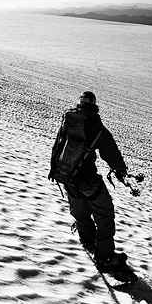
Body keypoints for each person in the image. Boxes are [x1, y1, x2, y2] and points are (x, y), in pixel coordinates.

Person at [49, 91, 129, 270]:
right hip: (87, 178)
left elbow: (59, 145)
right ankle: (105, 257)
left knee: (80, 210)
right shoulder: (94, 123)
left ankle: (86, 238)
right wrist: (120, 169)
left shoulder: (69, 119)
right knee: (105, 213)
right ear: (94, 103)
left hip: (67, 176)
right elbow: (109, 149)